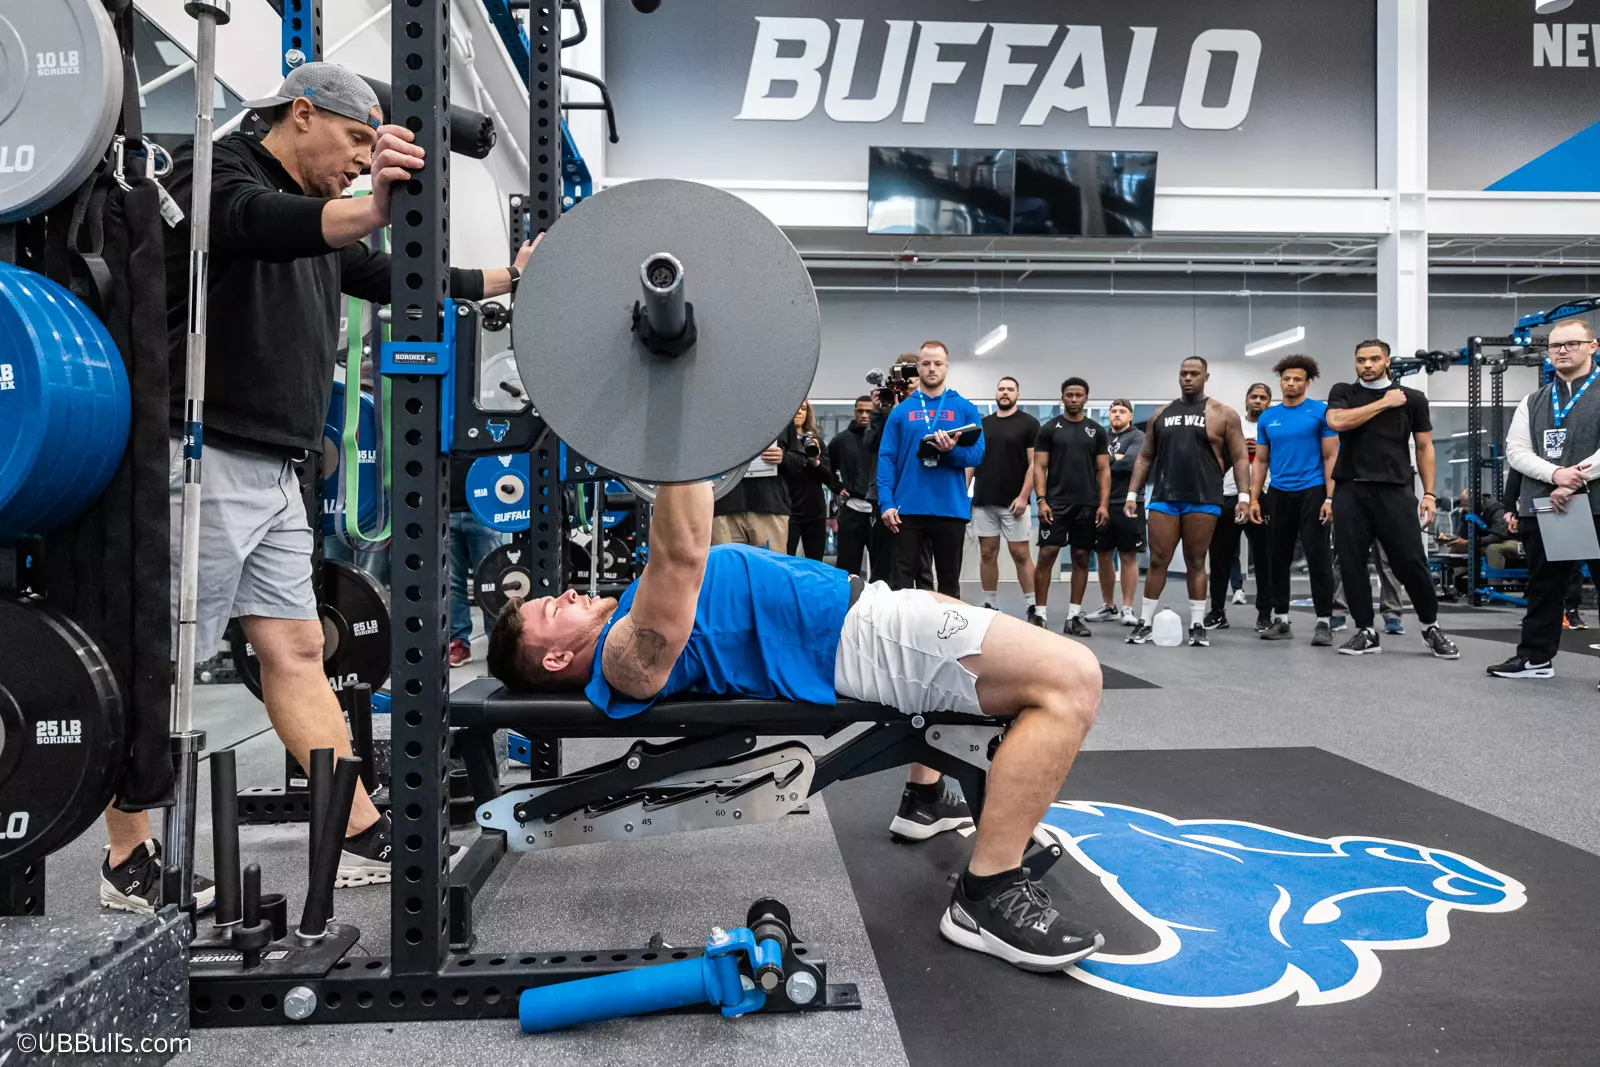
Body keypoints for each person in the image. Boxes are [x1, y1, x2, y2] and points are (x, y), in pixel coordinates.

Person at [100, 63, 534, 914]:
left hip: (275, 465)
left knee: (299, 651)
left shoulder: (326, 228)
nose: (362, 161)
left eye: (374, 149)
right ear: (302, 114)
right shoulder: (217, 168)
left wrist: (508, 278)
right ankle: (126, 855)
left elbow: (393, 280)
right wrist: (371, 205)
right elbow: (255, 224)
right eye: (357, 142)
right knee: (166, 665)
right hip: (202, 455)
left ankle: (356, 827)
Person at [486, 481, 1104, 973]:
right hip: (866, 642)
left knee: (1006, 676)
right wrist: (679, 434)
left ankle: (923, 797)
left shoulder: (622, 616)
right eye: (550, 609)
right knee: (1072, 679)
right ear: (556, 659)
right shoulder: (626, 658)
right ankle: (987, 894)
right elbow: (680, 551)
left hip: (871, 612)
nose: (563, 592)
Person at [1325, 340, 1459, 659]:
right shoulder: (1344, 392)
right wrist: (1384, 403)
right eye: (1361, 360)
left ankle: (1431, 627)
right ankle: (1366, 631)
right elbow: (1337, 422)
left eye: (1374, 359)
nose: (1367, 365)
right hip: (1351, 489)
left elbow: (1425, 448)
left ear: (1387, 361)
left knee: (1410, 562)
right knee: (1352, 563)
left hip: (1395, 490)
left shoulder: (1413, 399)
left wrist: (1428, 492)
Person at [1488, 317, 1600, 682]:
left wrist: (1574, 480)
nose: (1563, 351)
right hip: (1546, 506)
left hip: (1594, 503)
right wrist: (1555, 476)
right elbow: (1516, 451)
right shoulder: (1533, 400)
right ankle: (1535, 658)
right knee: (1544, 587)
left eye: (1571, 344)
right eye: (1555, 346)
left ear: (1592, 347)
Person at [1123, 358, 1250, 648]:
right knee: (1157, 561)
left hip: (1204, 498)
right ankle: (1145, 623)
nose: (1188, 378)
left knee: (1196, 561)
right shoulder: (1161, 414)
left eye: (1194, 374)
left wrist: (1244, 497)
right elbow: (1145, 456)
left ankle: (1196, 624)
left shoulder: (1224, 414)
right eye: (1183, 374)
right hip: (1165, 498)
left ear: (1206, 376)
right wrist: (1133, 494)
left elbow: (1241, 457)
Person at [877, 341, 986, 598]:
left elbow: (978, 455)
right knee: (901, 587)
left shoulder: (964, 408)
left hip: (949, 509)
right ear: (918, 368)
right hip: (907, 509)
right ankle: (901, 636)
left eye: (938, 363)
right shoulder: (901, 412)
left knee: (949, 586)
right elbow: (886, 458)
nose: (932, 368)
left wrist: (952, 451)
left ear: (946, 367)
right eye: (926, 363)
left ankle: (947, 638)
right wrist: (886, 503)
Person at [1248, 355, 1339, 646]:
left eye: (1297, 379)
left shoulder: (1319, 412)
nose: (1291, 383)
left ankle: (1324, 622)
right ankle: (1281, 619)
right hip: (1278, 493)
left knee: (1318, 557)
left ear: (1307, 382)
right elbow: (1261, 461)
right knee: (1277, 558)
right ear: (1281, 381)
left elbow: (1330, 456)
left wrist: (1330, 498)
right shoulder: (1267, 417)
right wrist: (1253, 499)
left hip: (1312, 491)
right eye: (1286, 379)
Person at [1032, 379, 1110, 636]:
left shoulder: (1097, 431)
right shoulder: (1048, 429)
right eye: (1069, 395)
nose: (1074, 399)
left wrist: (1103, 504)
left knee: (1081, 559)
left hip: (1087, 504)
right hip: (1056, 503)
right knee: (1047, 556)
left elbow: (1103, 470)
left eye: (1078, 395)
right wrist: (1041, 499)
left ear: (1086, 398)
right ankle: (1039, 616)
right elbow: (1039, 467)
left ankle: (1073, 618)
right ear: (1062, 398)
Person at [968, 377, 1039, 617]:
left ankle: (1032, 605)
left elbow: (1035, 465)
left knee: (1020, 554)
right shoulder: (983, 423)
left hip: (1014, 503)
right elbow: (972, 462)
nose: (1005, 393)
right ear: (996, 394)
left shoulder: (1029, 424)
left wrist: (1023, 496)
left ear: (1018, 394)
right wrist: (962, 494)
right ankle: (989, 602)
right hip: (984, 500)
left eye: (1010, 389)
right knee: (988, 553)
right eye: (1001, 389)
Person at [1206, 384, 1273, 632]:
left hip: (1262, 495)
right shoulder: (1232, 425)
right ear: (1246, 400)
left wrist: (1266, 451)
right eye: (1253, 397)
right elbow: (1216, 457)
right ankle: (1217, 612)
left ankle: (1265, 614)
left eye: (1263, 398)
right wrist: (1237, 449)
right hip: (1229, 495)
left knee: (1264, 558)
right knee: (1220, 556)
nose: (1257, 401)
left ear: (1269, 402)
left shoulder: (1272, 426)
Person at [1086, 400, 1145, 627]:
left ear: (1130, 416)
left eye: (1122, 411)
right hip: (1102, 503)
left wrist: (1105, 463)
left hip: (1128, 502)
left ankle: (1127, 608)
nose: (1117, 415)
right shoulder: (1101, 437)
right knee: (1103, 555)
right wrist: (1113, 460)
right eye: (1113, 411)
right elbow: (1090, 464)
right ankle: (1108, 606)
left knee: (1128, 555)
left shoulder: (1137, 437)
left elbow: (1130, 463)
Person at [449, 455, 507, 667]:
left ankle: (498, 644)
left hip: (486, 511)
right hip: (446, 509)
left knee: (493, 582)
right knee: (451, 582)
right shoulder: (440, 423)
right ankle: (458, 643)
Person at [713, 432, 803, 551]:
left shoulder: (780, 415)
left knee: (770, 566)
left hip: (768, 505)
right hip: (724, 506)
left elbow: (800, 461)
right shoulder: (714, 417)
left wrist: (783, 457)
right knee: (725, 566)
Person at [829, 396, 878, 578]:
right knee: (847, 569)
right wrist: (837, 487)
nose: (864, 415)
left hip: (879, 511)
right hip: (852, 510)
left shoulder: (884, 440)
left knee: (882, 569)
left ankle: (881, 607)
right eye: (860, 411)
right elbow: (827, 468)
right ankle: (848, 606)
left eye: (869, 411)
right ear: (854, 412)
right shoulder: (840, 441)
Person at [783, 400, 834, 561]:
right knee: (785, 559)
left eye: (803, 409)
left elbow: (828, 478)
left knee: (815, 560)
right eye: (796, 408)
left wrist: (815, 461)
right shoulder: (781, 442)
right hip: (787, 509)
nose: (799, 412)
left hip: (814, 510)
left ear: (807, 414)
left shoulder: (816, 442)